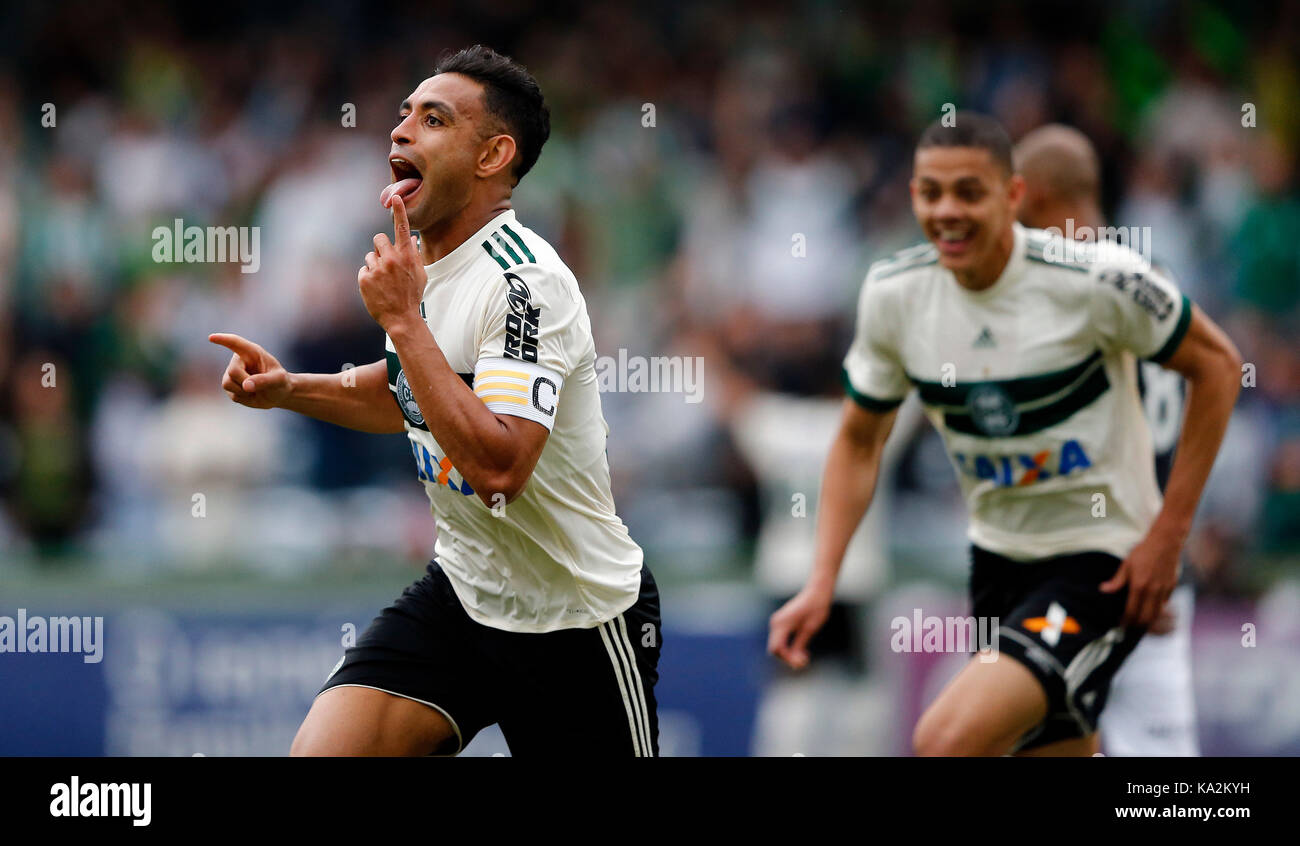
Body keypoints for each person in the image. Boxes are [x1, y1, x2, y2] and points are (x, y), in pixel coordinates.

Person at [210, 45, 659, 757]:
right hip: (465, 592)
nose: (400, 132)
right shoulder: (429, 268)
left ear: (492, 156)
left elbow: (501, 467)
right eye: (402, 116)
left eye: (433, 118)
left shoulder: (524, 284)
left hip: (573, 616)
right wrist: (290, 389)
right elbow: (409, 397)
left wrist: (400, 322)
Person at [769, 112, 1242, 756]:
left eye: (969, 191)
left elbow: (1217, 365)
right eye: (930, 192)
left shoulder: (1094, 279)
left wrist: (1168, 536)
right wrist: (822, 579)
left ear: (1015, 196)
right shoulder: (894, 295)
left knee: (946, 740)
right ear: (911, 196)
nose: (946, 211)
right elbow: (858, 440)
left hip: (1101, 563)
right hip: (997, 565)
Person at [1014, 123, 1200, 756]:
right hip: (1154, 568)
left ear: (1034, 195)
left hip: (1091, 570)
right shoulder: (1154, 271)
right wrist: (1168, 542)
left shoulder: (1071, 285)